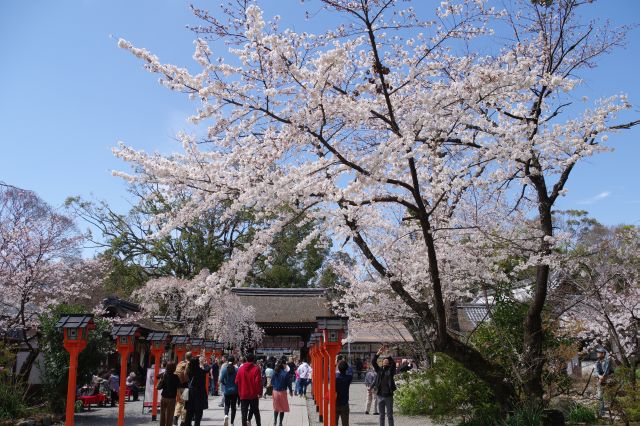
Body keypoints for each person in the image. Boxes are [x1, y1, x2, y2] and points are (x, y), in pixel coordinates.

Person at [372, 346, 396, 426]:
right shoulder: (379, 371)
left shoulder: (390, 371)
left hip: (388, 396)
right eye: (384, 361)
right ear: (382, 363)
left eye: (387, 361)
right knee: (381, 416)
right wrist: (378, 354)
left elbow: (394, 364)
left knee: (390, 415)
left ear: (388, 363)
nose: (385, 362)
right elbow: (373, 362)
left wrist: (388, 355)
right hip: (380, 396)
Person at [236, 353, 262, 426]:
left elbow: (236, 381)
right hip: (253, 394)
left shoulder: (240, 369)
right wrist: (259, 393)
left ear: (246, 359)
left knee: (244, 413)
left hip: (243, 394)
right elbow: (258, 383)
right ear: (254, 360)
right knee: (256, 411)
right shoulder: (256, 369)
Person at [184, 355, 211, 426]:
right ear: (197, 363)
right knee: (198, 415)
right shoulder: (201, 371)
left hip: (190, 393)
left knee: (189, 413)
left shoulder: (189, 371)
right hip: (199, 394)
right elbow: (208, 368)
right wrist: (203, 363)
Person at [158, 361, 181, 426]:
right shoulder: (176, 377)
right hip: (172, 398)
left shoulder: (164, 375)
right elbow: (179, 386)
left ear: (167, 367)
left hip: (164, 397)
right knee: (170, 415)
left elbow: (157, 377)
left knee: (162, 413)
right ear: (174, 368)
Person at [271, 358, 291, 426]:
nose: (286, 365)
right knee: (282, 408)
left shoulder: (275, 372)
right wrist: (291, 391)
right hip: (282, 391)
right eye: (285, 364)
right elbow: (289, 383)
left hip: (275, 391)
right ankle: (280, 423)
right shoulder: (285, 373)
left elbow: (272, 382)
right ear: (283, 364)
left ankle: (275, 422)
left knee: (276, 408)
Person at [174, 352, 192, 426]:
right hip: (185, 386)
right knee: (185, 404)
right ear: (190, 357)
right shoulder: (189, 364)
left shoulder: (180, 363)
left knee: (179, 402)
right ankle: (183, 421)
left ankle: (175, 417)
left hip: (178, 386)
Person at [595, 347, 613, 418]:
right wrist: (599, 377)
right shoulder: (597, 362)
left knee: (610, 395)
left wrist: (602, 378)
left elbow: (607, 371)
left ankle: (614, 408)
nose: (597, 354)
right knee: (600, 396)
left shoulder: (608, 360)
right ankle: (601, 412)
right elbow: (596, 372)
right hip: (601, 379)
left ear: (603, 354)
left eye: (599, 352)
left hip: (609, 379)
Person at [220, 355, 239, 426]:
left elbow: (221, 380)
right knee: (233, 407)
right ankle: (232, 423)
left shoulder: (224, 369)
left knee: (227, 404)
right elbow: (238, 380)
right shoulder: (237, 370)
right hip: (235, 390)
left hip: (227, 390)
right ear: (234, 361)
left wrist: (225, 384)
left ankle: (226, 415)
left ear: (227, 361)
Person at [335, 360, 353, 426]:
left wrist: (336, 365)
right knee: (345, 423)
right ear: (346, 369)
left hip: (335, 402)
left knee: (334, 423)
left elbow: (329, 372)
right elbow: (351, 371)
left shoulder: (335, 377)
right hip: (344, 403)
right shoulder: (348, 378)